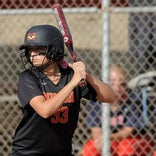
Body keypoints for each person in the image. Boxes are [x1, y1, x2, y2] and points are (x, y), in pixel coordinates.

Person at [11, 24, 115, 156]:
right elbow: (45, 111)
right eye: (30, 50)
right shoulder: (28, 78)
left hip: (62, 151)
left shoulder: (71, 76)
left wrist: (84, 74)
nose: (32, 54)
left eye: (39, 49)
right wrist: (72, 84)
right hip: (28, 152)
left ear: (54, 50)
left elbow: (110, 96)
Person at [80, 63, 155, 156]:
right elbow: (95, 131)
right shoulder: (96, 102)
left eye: (122, 84)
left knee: (125, 148)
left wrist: (108, 137)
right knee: (91, 148)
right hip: (111, 140)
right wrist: (100, 140)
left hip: (135, 139)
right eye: (112, 82)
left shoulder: (133, 100)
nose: (117, 87)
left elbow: (128, 132)